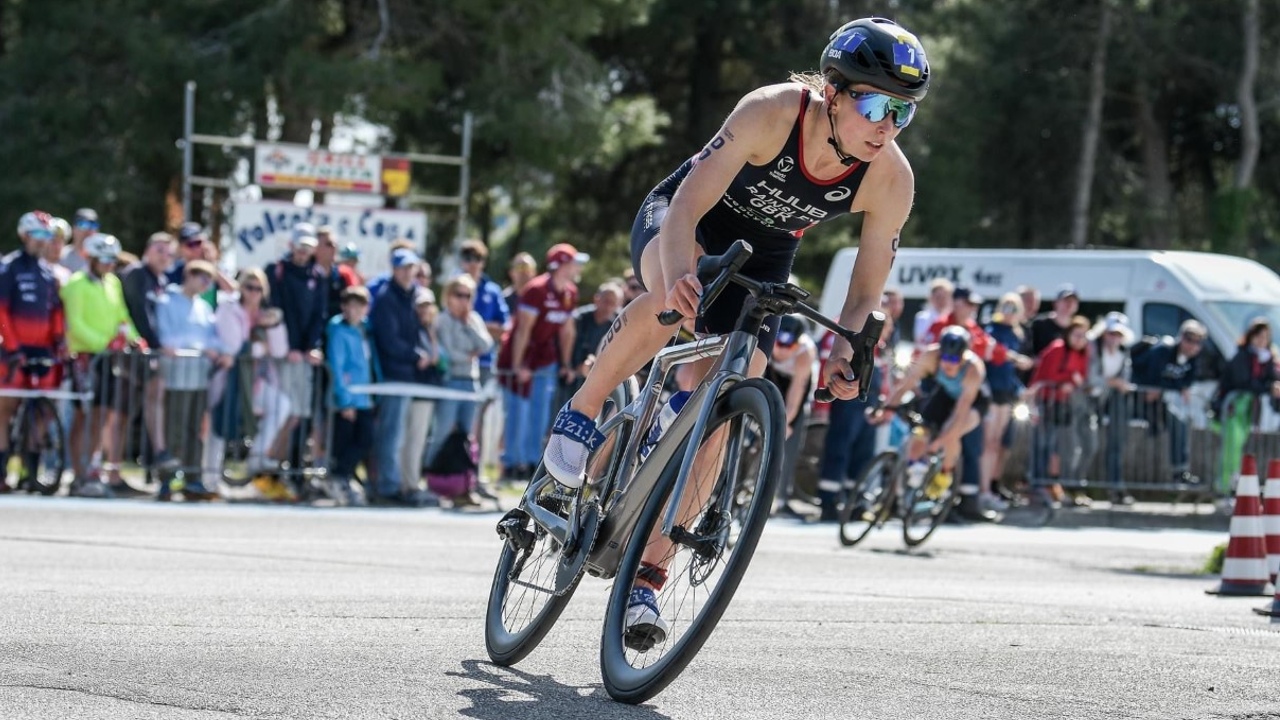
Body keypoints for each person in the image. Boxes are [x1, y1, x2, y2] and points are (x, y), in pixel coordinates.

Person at [537, 17, 928, 642]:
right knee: (673, 304)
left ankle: (647, 580)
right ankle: (582, 413)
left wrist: (844, 351)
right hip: (685, 219)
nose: (887, 126)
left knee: (731, 389)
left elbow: (862, 295)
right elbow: (687, 207)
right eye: (877, 105)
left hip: (765, 253)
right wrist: (680, 278)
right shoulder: (772, 112)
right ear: (833, 91)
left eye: (902, 113)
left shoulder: (891, 179)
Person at [873, 326, 991, 521]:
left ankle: (944, 475)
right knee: (921, 431)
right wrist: (887, 407)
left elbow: (961, 413)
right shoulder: (930, 356)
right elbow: (906, 385)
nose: (947, 364)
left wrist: (940, 442)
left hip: (973, 403)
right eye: (945, 358)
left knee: (951, 432)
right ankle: (914, 473)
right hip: (945, 394)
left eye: (954, 360)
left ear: (963, 356)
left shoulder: (973, 369)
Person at [59, 234, 144, 497]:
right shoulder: (76, 285)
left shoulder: (112, 283)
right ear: (91, 259)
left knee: (101, 415)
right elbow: (75, 325)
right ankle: (78, 473)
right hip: (86, 357)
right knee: (84, 416)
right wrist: (104, 343)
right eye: (104, 259)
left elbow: (122, 317)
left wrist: (134, 338)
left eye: (112, 260)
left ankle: (91, 468)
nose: (109, 264)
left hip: (108, 359)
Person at [497, 243, 583, 481]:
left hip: (545, 359)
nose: (578, 267)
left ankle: (532, 464)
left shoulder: (570, 292)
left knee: (540, 414)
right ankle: (512, 463)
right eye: (573, 262)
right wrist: (518, 365)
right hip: (521, 357)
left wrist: (565, 363)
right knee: (517, 412)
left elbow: (567, 331)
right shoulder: (536, 289)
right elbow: (523, 331)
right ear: (562, 265)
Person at [207, 268, 292, 500]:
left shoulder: (267, 314)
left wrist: (273, 325)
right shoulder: (229, 309)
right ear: (241, 288)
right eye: (249, 287)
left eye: (258, 289)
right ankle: (210, 479)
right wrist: (256, 348)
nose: (253, 293)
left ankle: (257, 458)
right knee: (218, 425)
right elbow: (233, 346)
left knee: (281, 405)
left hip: (253, 382)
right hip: (228, 378)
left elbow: (280, 351)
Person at [0, 212, 67, 494]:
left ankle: (32, 472)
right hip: (12, 351)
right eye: (38, 235)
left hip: (43, 352)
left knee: (41, 412)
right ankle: (2, 471)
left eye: (47, 236)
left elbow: (55, 312)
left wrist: (59, 341)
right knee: (5, 410)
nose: (43, 242)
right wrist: (12, 348)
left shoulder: (48, 273)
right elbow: (1, 310)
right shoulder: (8, 268)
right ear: (25, 235)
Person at [154, 260, 230, 501]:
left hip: (198, 377)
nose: (206, 284)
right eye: (203, 278)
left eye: (210, 280)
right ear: (190, 276)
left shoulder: (204, 308)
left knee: (195, 429)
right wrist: (198, 346)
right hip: (176, 377)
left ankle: (192, 478)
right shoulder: (167, 301)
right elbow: (167, 337)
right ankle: (168, 479)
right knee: (174, 427)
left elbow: (213, 339)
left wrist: (215, 350)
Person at [265, 223, 327, 471]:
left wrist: (309, 347)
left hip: (303, 356)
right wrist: (288, 347)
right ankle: (272, 466)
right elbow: (278, 310)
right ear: (291, 246)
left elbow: (318, 315)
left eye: (308, 248)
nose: (303, 252)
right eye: (300, 246)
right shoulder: (277, 271)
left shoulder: (318, 275)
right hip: (282, 354)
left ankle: (294, 467)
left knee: (300, 413)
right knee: (284, 413)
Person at [430, 274, 495, 506]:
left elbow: (486, 344)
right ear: (448, 296)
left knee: (468, 437)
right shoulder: (442, 320)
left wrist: (469, 326)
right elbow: (449, 352)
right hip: (450, 381)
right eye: (459, 295)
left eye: (468, 296)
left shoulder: (473, 319)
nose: (463, 300)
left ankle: (465, 485)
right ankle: (433, 481)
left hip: (471, 381)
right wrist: (469, 354)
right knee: (443, 432)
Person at [370, 248, 426, 505]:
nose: (407, 272)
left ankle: (399, 484)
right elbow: (390, 342)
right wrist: (417, 356)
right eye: (402, 268)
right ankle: (387, 487)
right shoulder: (386, 298)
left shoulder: (411, 296)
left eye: (410, 268)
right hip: (394, 375)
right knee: (391, 434)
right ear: (393, 269)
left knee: (402, 435)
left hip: (408, 375)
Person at [1131, 319, 1206, 486]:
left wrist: (1177, 386)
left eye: (1197, 342)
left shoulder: (1192, 359)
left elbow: (1187, 380)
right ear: (1181, 338)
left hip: (1157, 401)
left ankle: (1179, 472)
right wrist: (1176, 386)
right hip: (1133, 397)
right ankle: (1117, 483)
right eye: (1189, 340)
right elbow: (1153, 377)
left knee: (1179, 425)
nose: (1192, 345)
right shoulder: (1163, 350)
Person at [1029, 315, 1094, 501]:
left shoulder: (1083, 353)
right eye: (1076, 335)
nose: (1079, 339)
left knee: (1058, 446)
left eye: (1083, 335)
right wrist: (1066, 380)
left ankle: (1052, 483)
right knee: (1043, 443)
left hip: (1064, 405)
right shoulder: (1057, 349)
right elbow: (1046, 375)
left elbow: (1080, 376)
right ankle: (1038, 483)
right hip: (1046, 402)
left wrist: (1073, 383)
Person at [1212, 317, 1279, 496]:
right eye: (1258, 336)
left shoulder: (1268, 358)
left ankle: (1239, 489)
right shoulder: (1242, 356)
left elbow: (1271, 379)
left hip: (1252, 410)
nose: (1261, 340)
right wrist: (1268, 387)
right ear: (1250, 337)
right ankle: (1225, 490)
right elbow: (1244, 382)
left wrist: (1274, 385)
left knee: (1245, 450)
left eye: (1265, 337)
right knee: (1231, 449)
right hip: (1234, 408)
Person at [326, 286, 378, 506]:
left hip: (365, 397)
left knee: (365, 439)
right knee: (346, 441)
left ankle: (343, 477)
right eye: (350, 306)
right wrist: (344, 400)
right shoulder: (338, 332)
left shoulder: (365, 330)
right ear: (344, 307)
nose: (354, 311)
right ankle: (338, 477)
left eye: (359, 306)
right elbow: (337, 367)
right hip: (348, 399)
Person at [764, 314, 818, 518]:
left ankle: (781, 497)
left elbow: (797, 392)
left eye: (789, 346)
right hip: (769, 373)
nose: (783, 350)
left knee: (789, 441)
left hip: (795, 383)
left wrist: (787, 422)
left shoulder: (805, 352)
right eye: (779, 344)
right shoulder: (767, 338)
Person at [980, 292, 1026, 511]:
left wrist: (1020, 388)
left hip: (1006, 392)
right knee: (989, 443)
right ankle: (983, 490)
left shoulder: (1016, 335)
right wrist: (1014, 358)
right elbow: (993, 356)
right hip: (992, 391)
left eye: (1014, 308)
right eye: (1006, 307)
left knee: (998, 443)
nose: (1010, 312)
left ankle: (991, 486)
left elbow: (1009, 370)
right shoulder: (992, 330)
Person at [1087, 311, 1135, 504]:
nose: (1114, 338)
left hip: (1111, 402)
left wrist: (1116, 384)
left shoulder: (1124, 355)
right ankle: (1074, 486)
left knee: (1117, 444)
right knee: (1087, 445)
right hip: (1088, 402)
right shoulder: (1093, 349)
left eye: (1118, 334)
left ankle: (1116, 487)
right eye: (1110, 333)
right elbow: (1090, 379)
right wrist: (1112, 382)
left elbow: (1125, 381)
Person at [399, 287, 442, 502]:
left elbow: (439, 359)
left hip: (427, 390)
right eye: (420, 306)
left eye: (428, 306)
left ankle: (412, 481)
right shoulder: (413, 330)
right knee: (411, 439)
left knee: (418, 439)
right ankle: (410, 483)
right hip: (416, 389)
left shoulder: (430, 330)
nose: (424, 310)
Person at [458, 239, 510, 386]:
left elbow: (504, 328)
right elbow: (451, 323)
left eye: (478, 258)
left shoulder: (493, 291)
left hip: (485, 361)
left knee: (481, 407)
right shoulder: (453, 288)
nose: (473, 263)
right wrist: (487, 328)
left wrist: (474, 325)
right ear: (461, 261)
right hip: (457, 362)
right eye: (468, 258)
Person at [567, 281, 624, 397]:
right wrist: (570, 366)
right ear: (597, 299)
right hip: (570, 373)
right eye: (606, 301)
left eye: (613, 303)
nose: (608, 307)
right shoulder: (579, 318)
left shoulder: (620, 324)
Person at [1029, 283, 1079, 358]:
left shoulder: (1076, 328)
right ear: (1055, 303)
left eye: (1073, 301)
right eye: (1066, 300)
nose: (1069, 304)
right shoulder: (1039, 324)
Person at [912, 278, 952, 348]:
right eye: (938, 297)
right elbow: (921, 342)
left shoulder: (954, 317)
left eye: (944, 297)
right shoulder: (922, 317)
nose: (942, 301)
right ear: (931, 297)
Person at [58, 207, 99, 275]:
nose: (88, 230)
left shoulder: (101, 260)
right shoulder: (61, 255)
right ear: (73, 229)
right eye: (83, 224)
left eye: (93, 225)